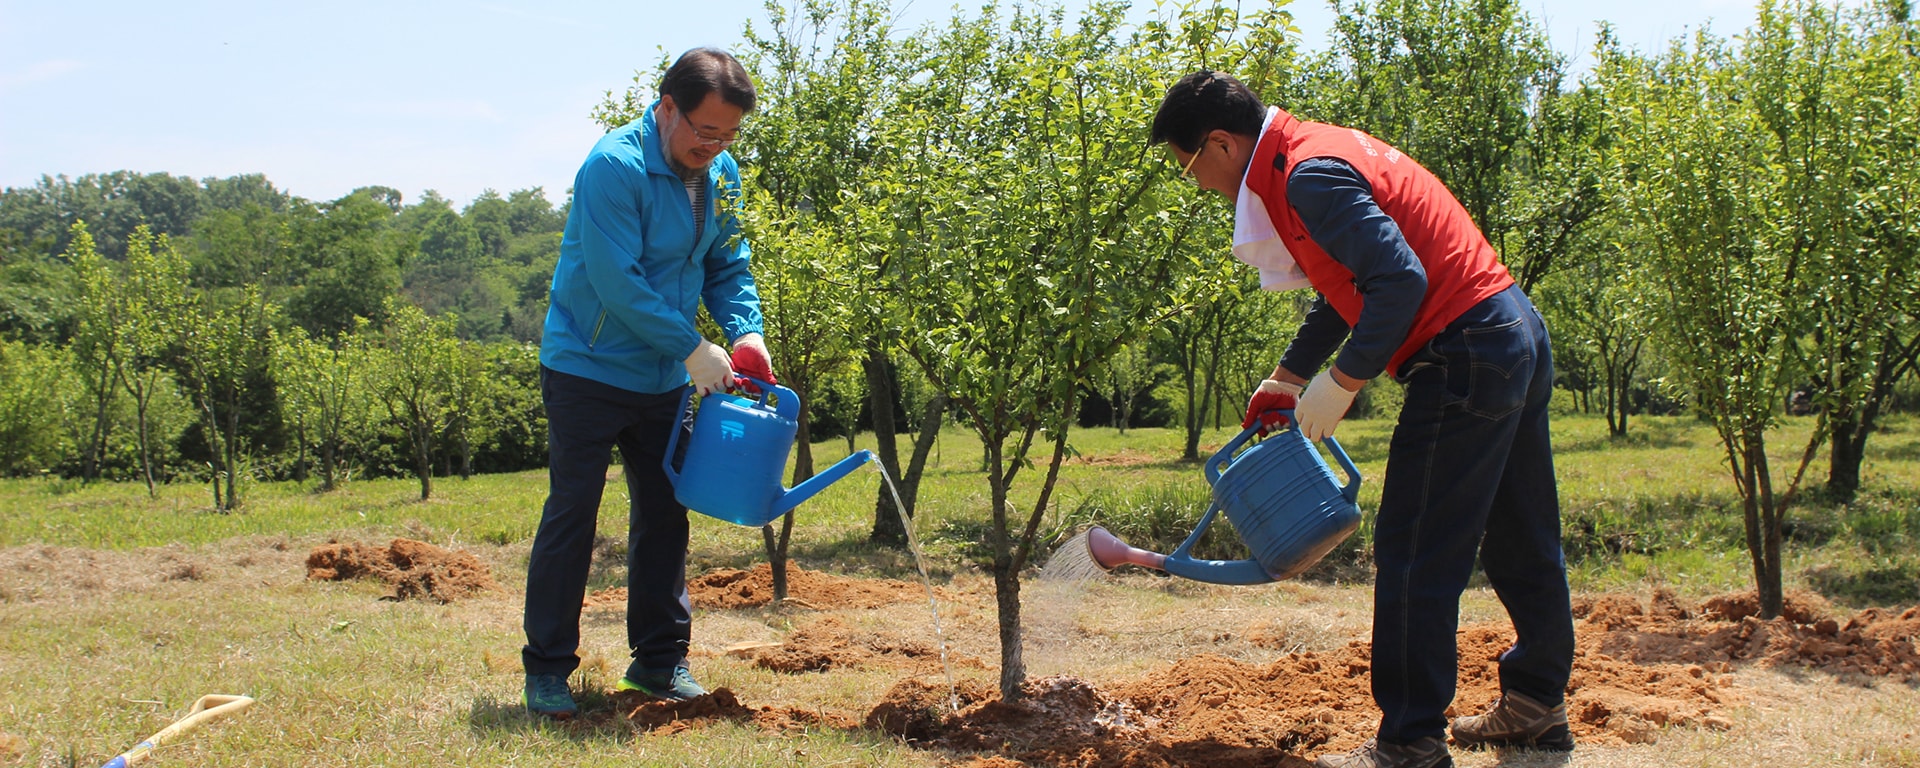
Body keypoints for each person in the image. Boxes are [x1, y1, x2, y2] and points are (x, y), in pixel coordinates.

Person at [1149, 71, 1576, 768]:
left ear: (1221, 144)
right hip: (1509, 332)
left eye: (1191, 167)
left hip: (1463, 349)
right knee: (1522, 533)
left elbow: (1400, 280)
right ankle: (1536, 703)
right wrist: (1290, 377)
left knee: (1414, 548)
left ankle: (1409, 741)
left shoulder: (1307, 177)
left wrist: (1343, 381)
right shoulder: (1314, 152)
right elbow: (1344, 285)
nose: (1198, 186)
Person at [521, 47, 776, 720]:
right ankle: (547, 669)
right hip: (587, 366)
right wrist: (693, 348)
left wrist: (744, 331)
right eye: (704, 130)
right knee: (573, 515)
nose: (715, 146)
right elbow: (617, 283)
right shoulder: (613, 168)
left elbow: (728, 262)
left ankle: (659, 663)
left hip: (663, 376)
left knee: (666, 514)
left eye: (728, 135)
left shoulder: (720, 174)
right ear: (667, 108)